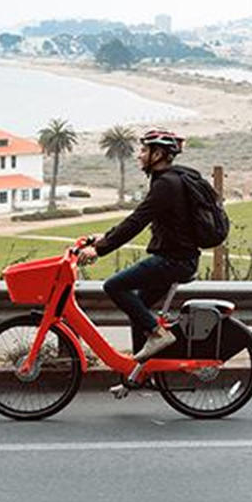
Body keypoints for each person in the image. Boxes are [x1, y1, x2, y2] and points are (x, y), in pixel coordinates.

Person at [77, 129, 200, 366]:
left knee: (113, 286)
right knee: (139, 309)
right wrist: (104, 237)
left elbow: (137, 221)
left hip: (172, 261)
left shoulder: (166, 184)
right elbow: (140, 219)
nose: (140, 155)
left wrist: (100, 249)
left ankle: (158, 334)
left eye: (144, 150)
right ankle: (139, 372)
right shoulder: (169, 180)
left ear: (159, 154)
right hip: (180, 259)